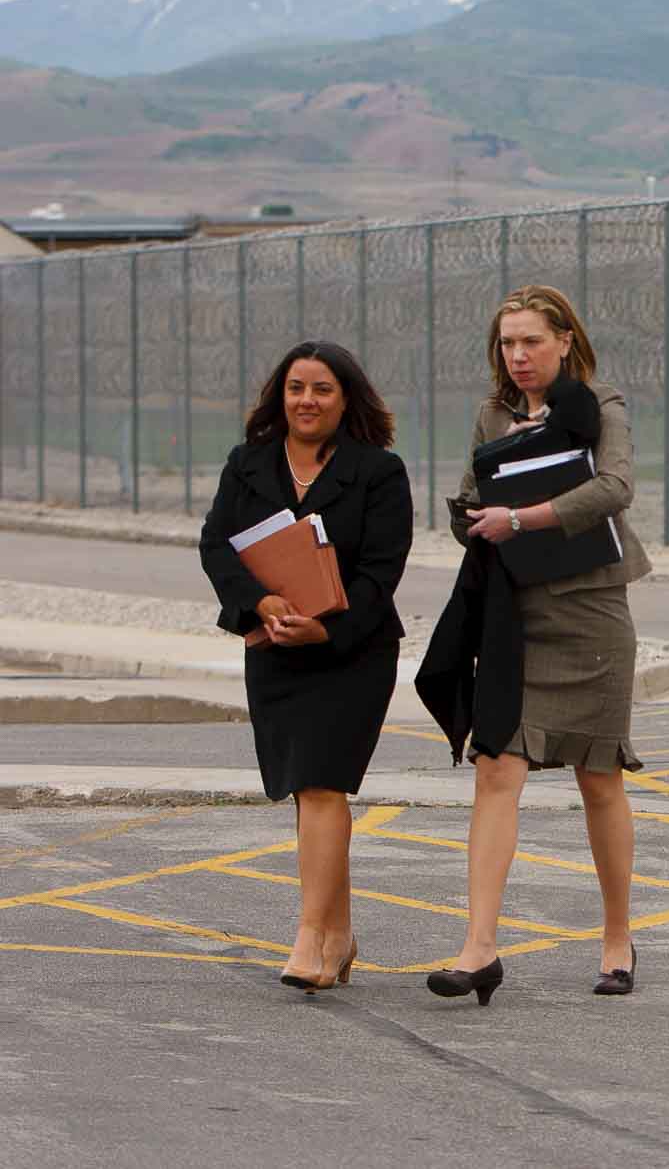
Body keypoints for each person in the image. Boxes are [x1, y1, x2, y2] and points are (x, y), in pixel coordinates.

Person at [422, 285, 652, 1004]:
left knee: (598, 777)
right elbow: (468, 496)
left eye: (530, 342)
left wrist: (520, 518)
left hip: (589, 610)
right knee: (497, 769)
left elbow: (615, 488)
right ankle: (479, 947)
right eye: (506, 344)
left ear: (563, 341)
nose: (517, 356)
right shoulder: (493, 413)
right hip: (514, 612)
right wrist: (472, 519)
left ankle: (618, 937)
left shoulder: (599, 405)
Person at [198, 341, 411, 993]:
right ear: (279, 395)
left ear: (346, 398)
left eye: (321, 389)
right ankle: (339, 936)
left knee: (321, 785)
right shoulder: (248, 464)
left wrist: (329, 625)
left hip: (351, 652)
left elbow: (381, 570)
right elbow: (217, 545)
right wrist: (257, 603)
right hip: (273, 649)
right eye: (296, 388)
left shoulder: (379, 471)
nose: (307, 401)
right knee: (309, 792)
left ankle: (310, 936)